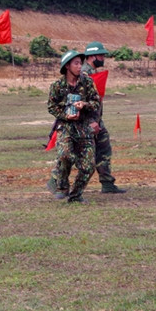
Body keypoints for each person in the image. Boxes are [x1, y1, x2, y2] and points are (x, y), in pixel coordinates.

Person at [46, 50, 101, 203]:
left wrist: (84, 105)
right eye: (76, 63)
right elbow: (51, 107)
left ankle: (76, 195)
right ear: (67, 66)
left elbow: (96, 103)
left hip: (84, 127)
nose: (79, 67)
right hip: (66, 127)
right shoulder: (57, 86)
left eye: (80, 63)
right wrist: (65, 115)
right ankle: (62, 185)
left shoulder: (87, 82)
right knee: (65, 155)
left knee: (89, 166)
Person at [80, 41, 125, 194]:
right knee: (78, 153)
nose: (103, 58)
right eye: (101, 55)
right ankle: (59, 182)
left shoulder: (92, 72)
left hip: (96, 119)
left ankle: (107, 183)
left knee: (104, 148)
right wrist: (91, 120)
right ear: (92, 56)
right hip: (86, 120)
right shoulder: (85, 74)